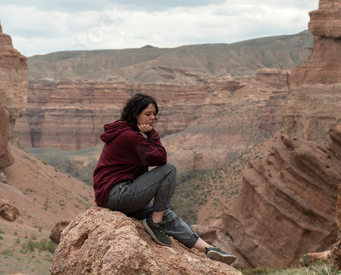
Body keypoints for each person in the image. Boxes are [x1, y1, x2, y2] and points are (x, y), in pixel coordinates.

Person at [93, 93, 236, 265]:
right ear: (134, 114)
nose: (153, 118)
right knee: (169, 171)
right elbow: (161, 159)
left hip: (116, 196)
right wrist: (152, 134)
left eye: (155, 114)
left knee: (164, 213)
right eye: (148, 114)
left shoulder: (124, 131)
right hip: (118, 194)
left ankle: (208, 249)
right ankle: (155, 224)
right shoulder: (130, 136)